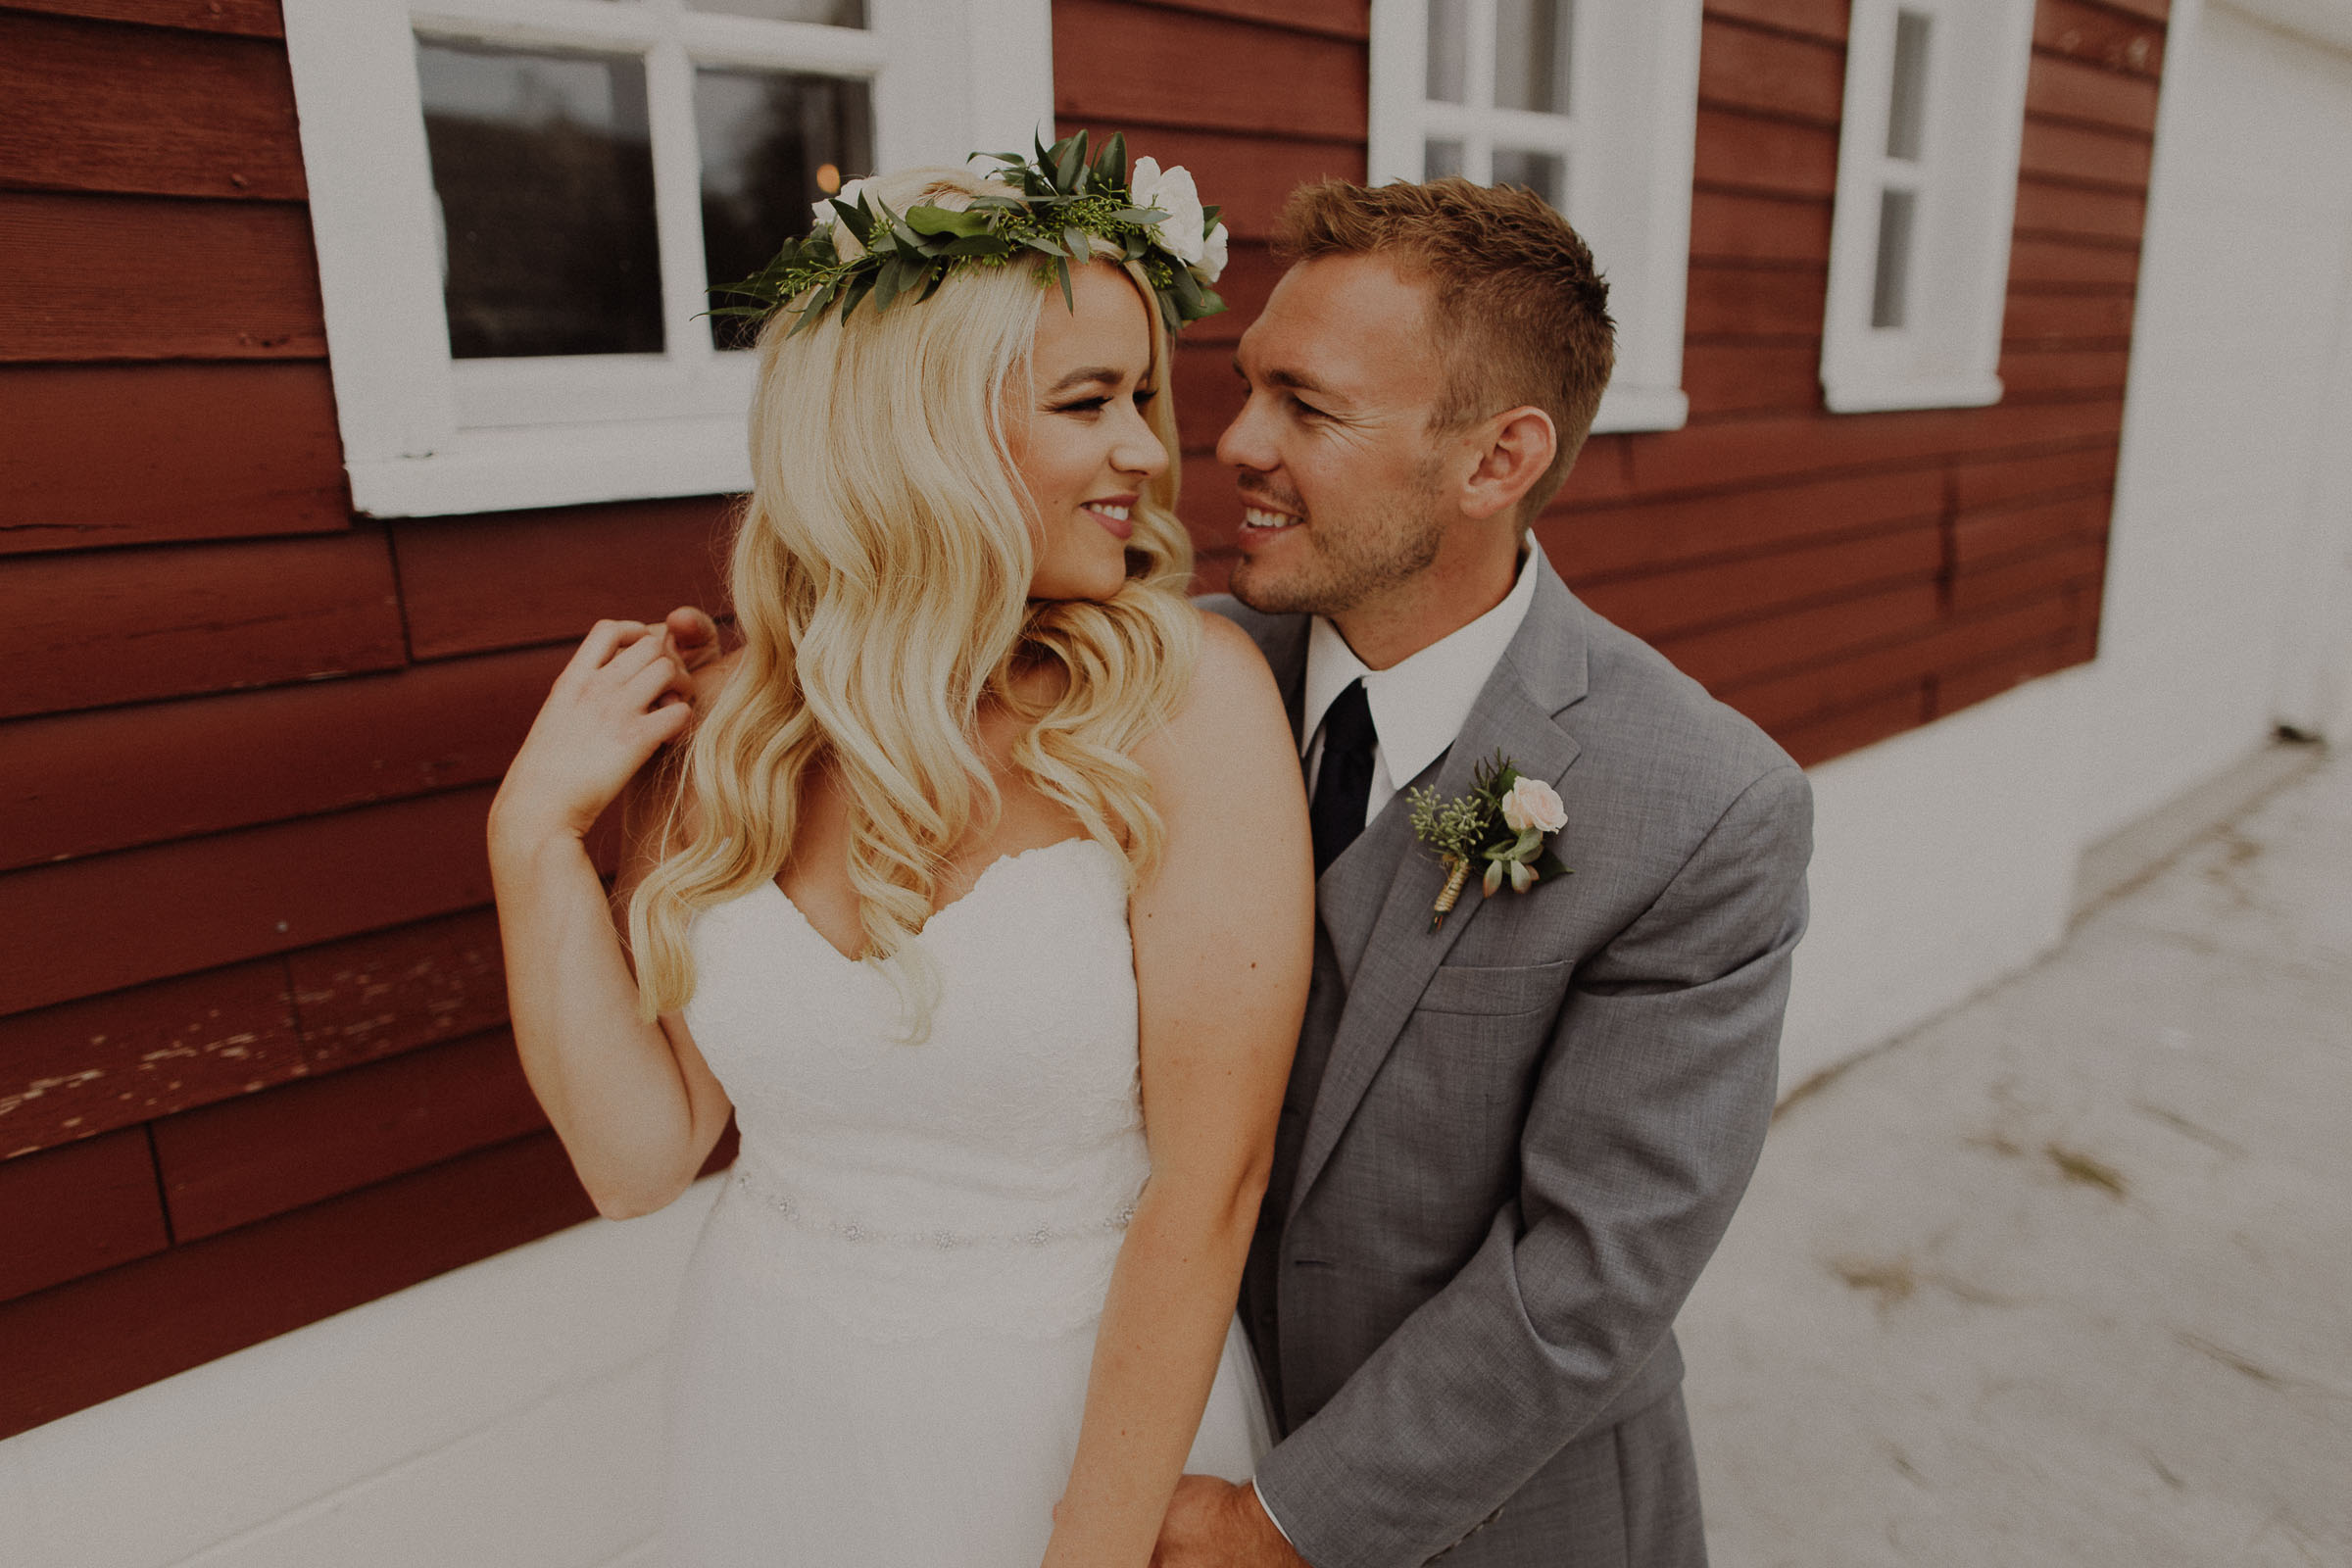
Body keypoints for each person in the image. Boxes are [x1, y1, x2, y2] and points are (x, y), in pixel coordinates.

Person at [487, 146, 1311, 1568]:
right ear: (922, 432)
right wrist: (534, 840)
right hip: (771, 1409)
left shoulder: (1182, 697)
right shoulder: (731, 728)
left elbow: (1213, 1182)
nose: (1146, 452)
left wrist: (1091, 1550)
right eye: (1088, 402)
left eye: (1141, 399)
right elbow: (635, 1162)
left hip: (1075, 1428)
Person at [1140, 177, 1817, 1565]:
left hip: (1515, 1522)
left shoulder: (1705, 805)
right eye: (1248, 386)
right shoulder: (1166, 677)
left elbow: (1593, 1271)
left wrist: (1280, 1523)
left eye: (1308, 409)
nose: (1235, 443)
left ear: (1496, 461)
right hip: (1163, 1450)